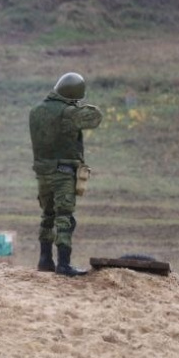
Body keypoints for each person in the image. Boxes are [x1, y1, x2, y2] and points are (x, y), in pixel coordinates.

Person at [29, 72, 103, 276]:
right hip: (63, 173)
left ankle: (45, 260)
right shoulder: (68, 112)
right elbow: (95, 117)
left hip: (42, 173)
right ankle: (63, 264)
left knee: (47, 215)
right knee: (65, 217)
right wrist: (76, 106)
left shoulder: (35, 111)